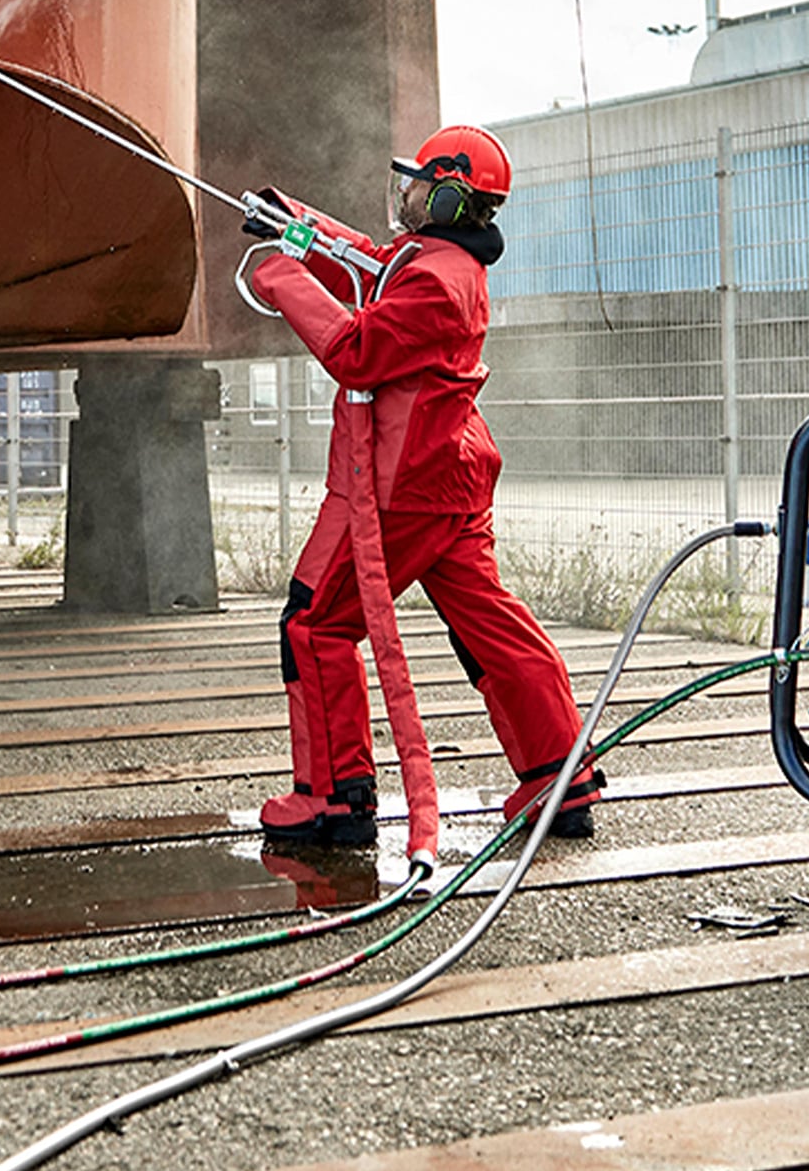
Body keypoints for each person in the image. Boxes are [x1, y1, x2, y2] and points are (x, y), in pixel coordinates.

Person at [241, 125, 600, 848]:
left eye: (417, 181)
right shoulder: (435, 260)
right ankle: (560, 778)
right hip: (447, 477)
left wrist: (282, 277)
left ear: (447, 196)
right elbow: (373, 265)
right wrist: (298, 222)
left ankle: (332, 799)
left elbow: (358, 350)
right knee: (488, 624)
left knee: (315, 622)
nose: (404, 192)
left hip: (396, 484)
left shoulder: (438, 279)